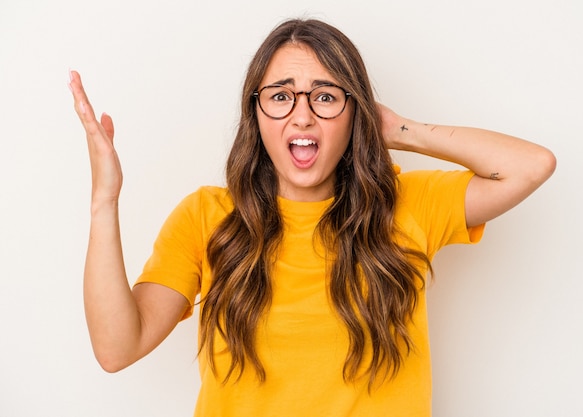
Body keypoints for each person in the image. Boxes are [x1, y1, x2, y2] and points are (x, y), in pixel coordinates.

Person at [69, 18, 556, 417]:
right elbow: (117, 348)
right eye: (281, 96)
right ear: (256, 115)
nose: (302, 116)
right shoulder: (206, 216)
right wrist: (103, 200)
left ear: (354, 112)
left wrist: (401, 130)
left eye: (325, 96)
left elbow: (530, 167)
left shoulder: (407, 203)